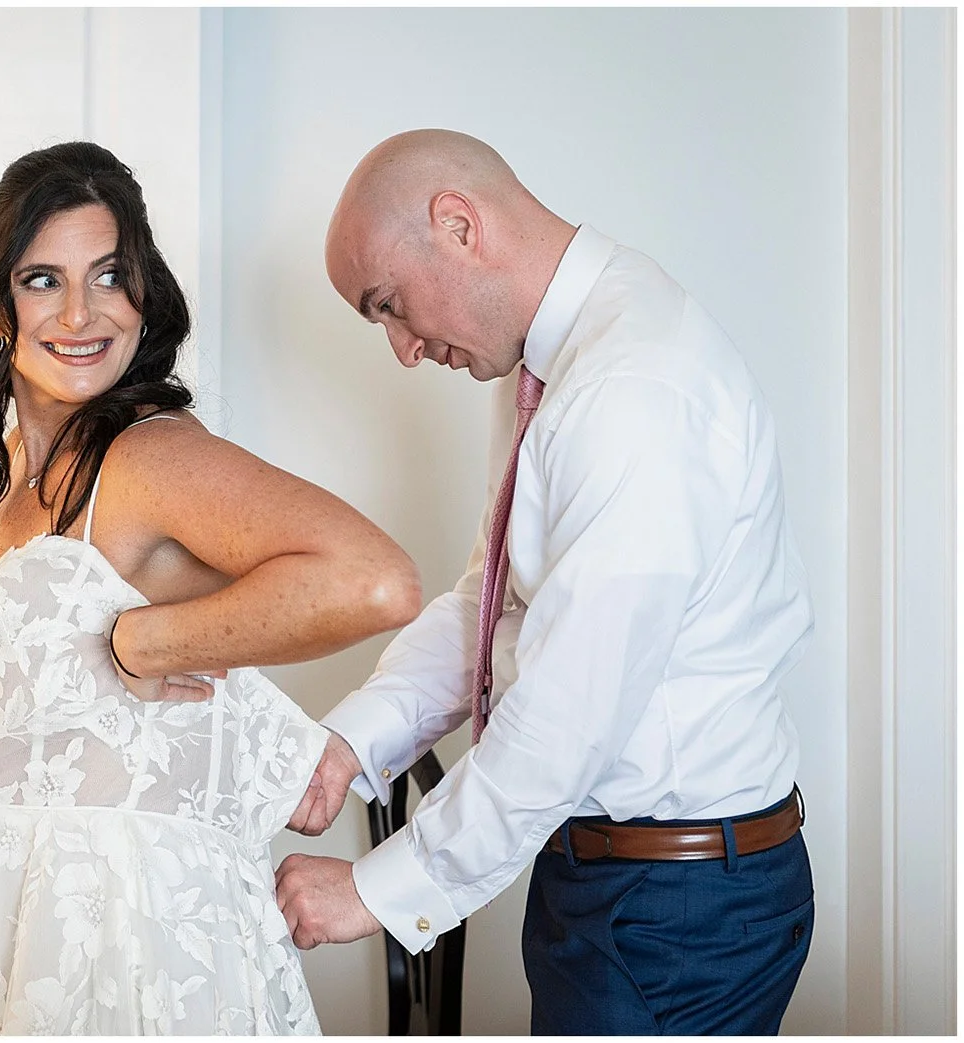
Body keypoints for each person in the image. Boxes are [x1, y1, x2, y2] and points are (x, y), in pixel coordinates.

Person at [0, 141, 421, 1035]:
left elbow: (375, 580)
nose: (82, 312)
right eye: (43, 278)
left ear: (143, 296)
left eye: (110, 275)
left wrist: (145, 641)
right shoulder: (16, 467)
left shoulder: (151, 457)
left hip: (112, 954)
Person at [276, 129, 816, 1034]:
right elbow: (497, 602)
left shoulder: (633, 389)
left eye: (391, 305)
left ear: (457, 223)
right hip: (620, 882)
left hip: (674, 911)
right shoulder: (553, 360)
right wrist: (354, 745)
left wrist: (374, 891)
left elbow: (566, 716)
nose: (404, 350)